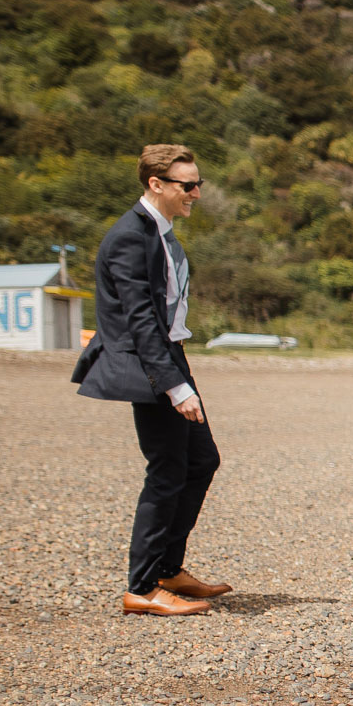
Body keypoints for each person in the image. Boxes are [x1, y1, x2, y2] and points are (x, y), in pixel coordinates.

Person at [72, 143, 231, 617]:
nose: (197, 193)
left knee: (201, 460)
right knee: (167, 471)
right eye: (188, 185)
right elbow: (139, 319)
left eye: (198, 183)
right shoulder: (130, 236)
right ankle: (142, 587)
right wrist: (174, 384)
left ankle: (167, 569)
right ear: (155, 185)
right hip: (151, 363)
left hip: (171, 356)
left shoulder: (163, 233)